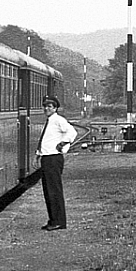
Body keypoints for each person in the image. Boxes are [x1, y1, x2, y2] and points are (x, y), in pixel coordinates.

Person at [35, 95, 90, 231]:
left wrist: (63, 143)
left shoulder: (58, 120)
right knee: (48, 190)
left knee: (54, 190)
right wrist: (37, 156)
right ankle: (53, 219)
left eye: (50, 106)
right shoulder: (49, 121)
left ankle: (59, 221)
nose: (46, 108)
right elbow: (45, 140)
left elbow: (72, 132)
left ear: (55, 108)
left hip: (53, 158)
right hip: (47, 157)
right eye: (45, 106)